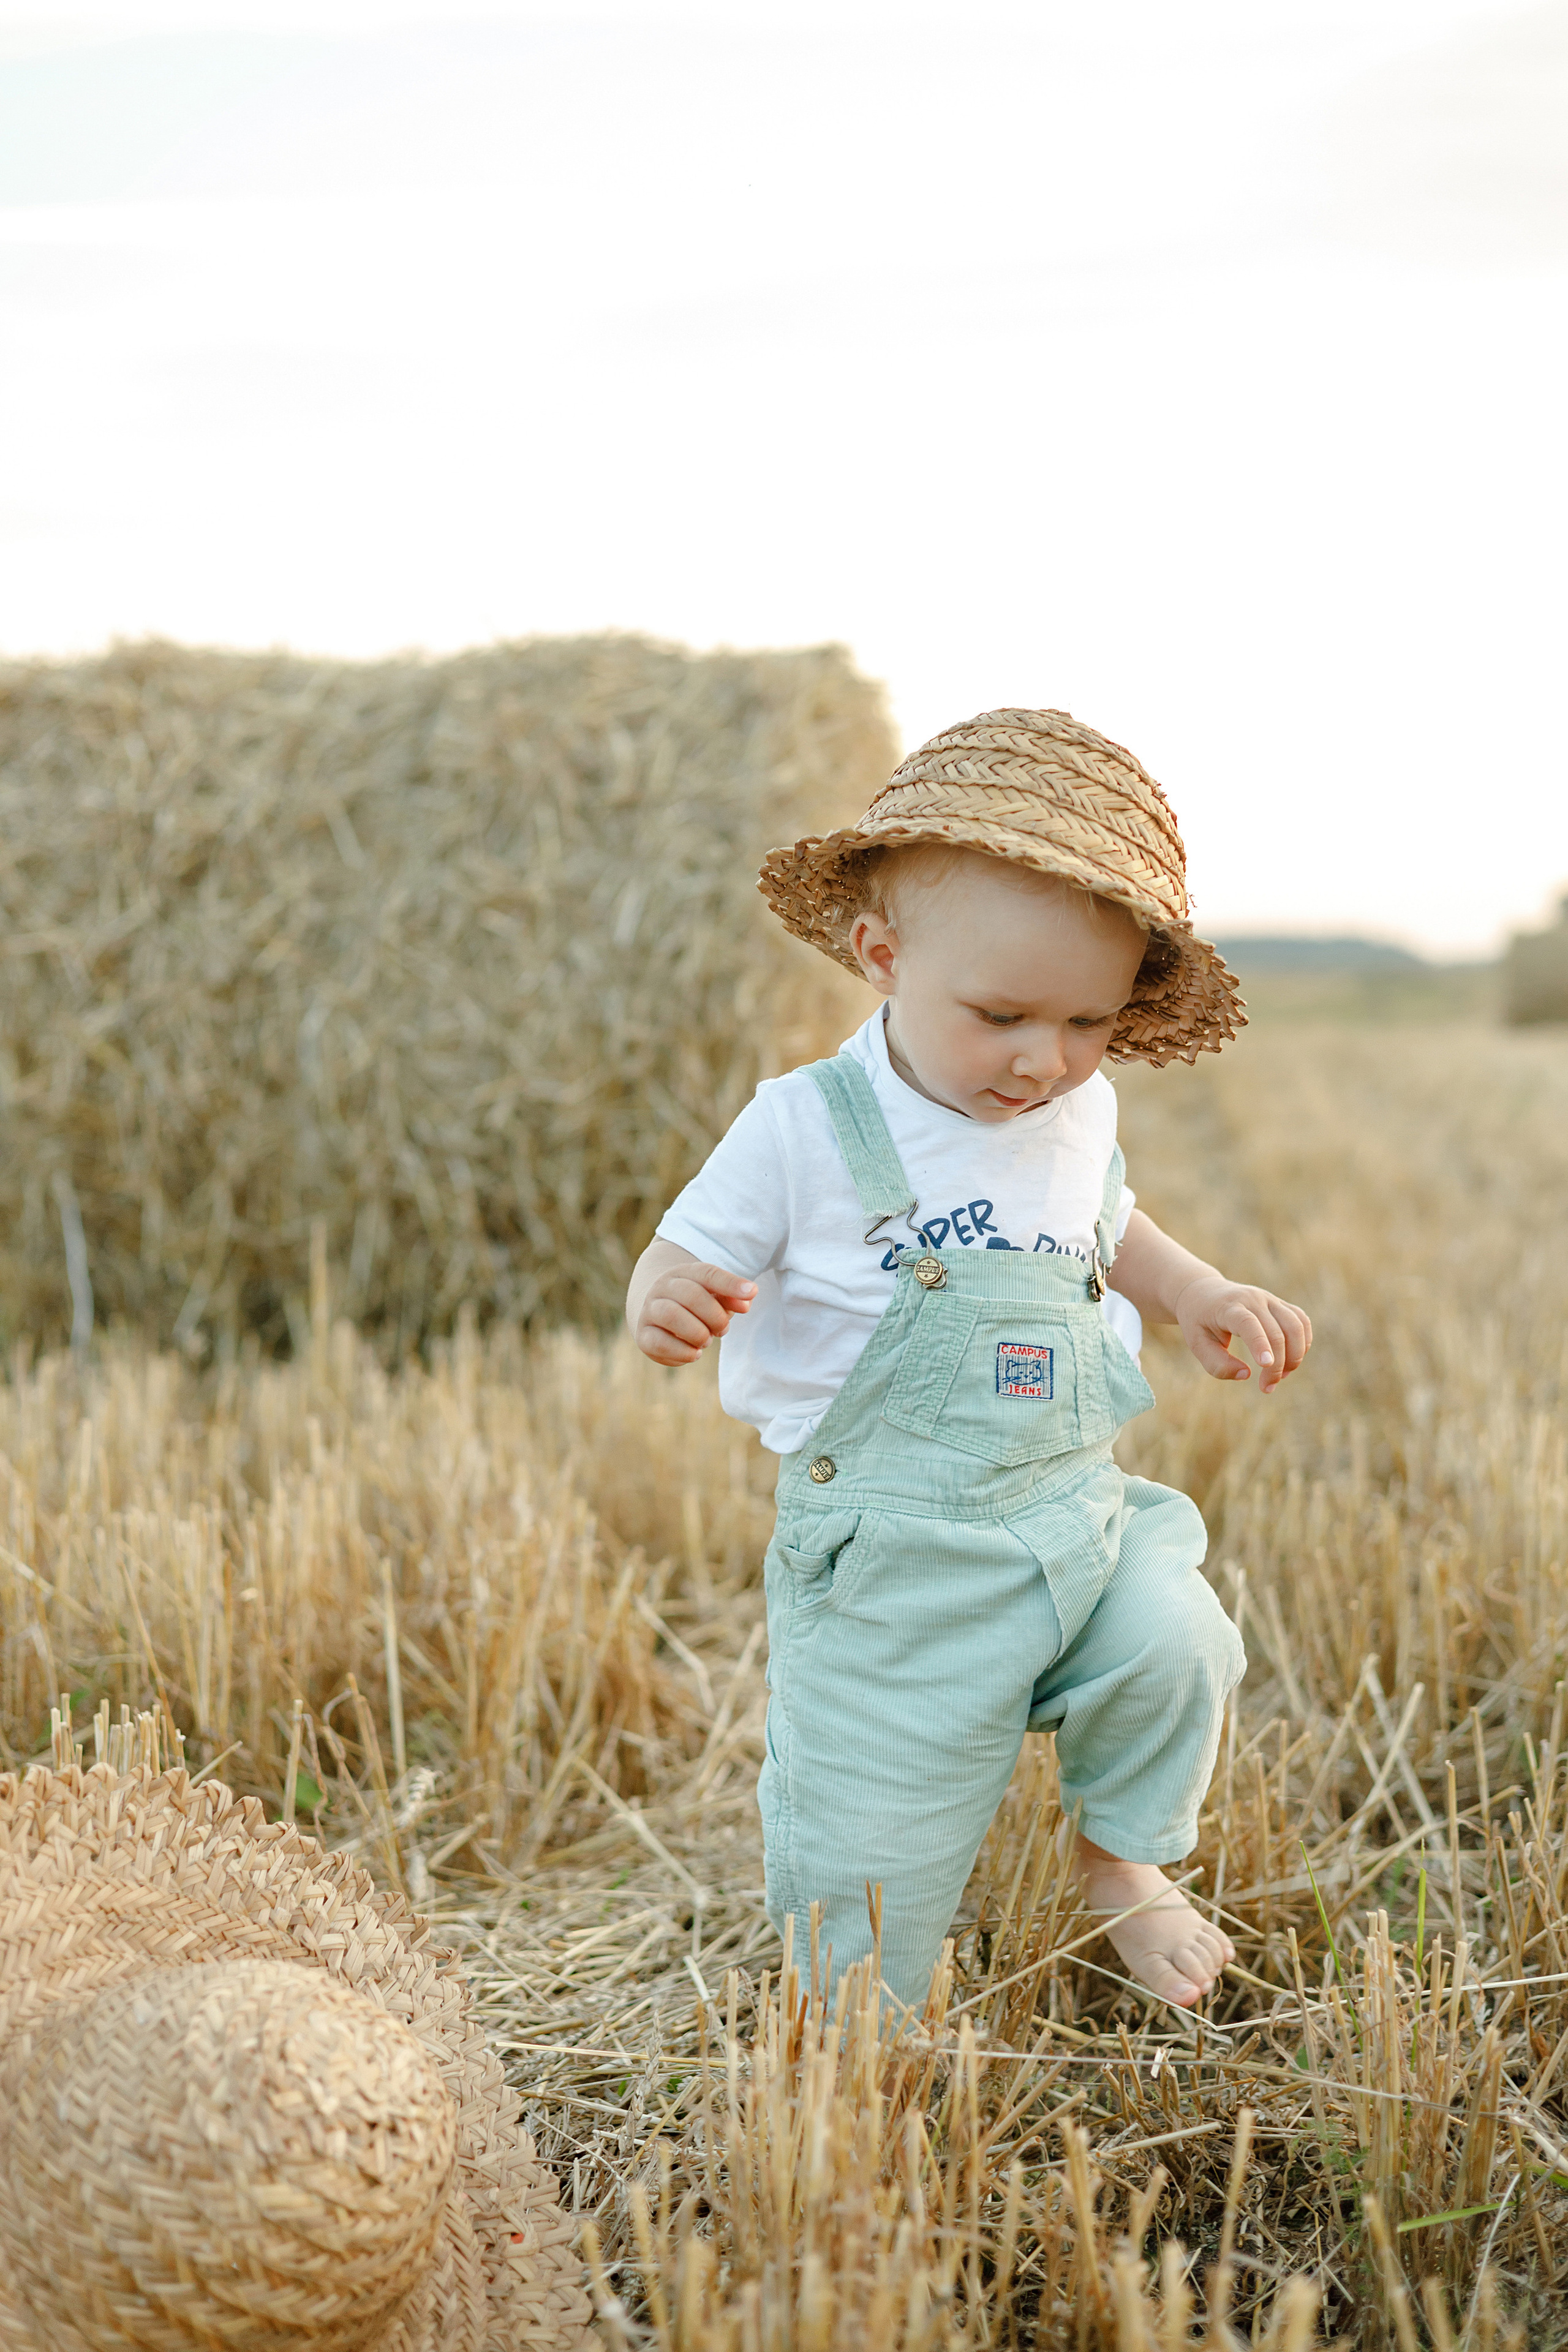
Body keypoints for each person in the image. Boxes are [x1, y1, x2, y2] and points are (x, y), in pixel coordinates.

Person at [625, 709, 1311, 2010]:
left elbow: (1106, 1220)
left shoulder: (1075, 1110)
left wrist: (1194, 1292)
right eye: (1001, 1015)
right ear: (881, 958)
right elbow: (682, 1246)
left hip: (1071, 1510)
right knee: (872, 1837)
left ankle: (1119, 1861)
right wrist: (667, 1296)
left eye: (1087, 1021)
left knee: (1178, 1644)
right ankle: (856, 2025)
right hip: (898, 1553)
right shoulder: (804, 1125)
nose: (1043, 1060)